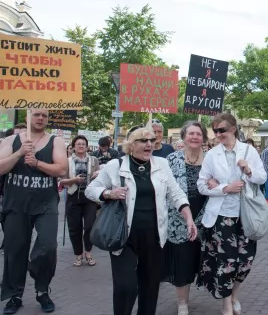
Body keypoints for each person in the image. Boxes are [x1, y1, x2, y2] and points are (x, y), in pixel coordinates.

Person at [86, 127, 196, 315]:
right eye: (143, 141)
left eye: (152, 140)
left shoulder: (161, 164)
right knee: (126, 286)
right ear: (131, 144)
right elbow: (91, 189)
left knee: (150, 287)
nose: (149, 144)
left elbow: (175, 193)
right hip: (123, 235)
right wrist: (108, 193)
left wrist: (189, 217)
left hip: (154, 236)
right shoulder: (116, 165)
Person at [197, 113, 267, 315]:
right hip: (222, 216)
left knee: (245, 262)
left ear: (233, 129)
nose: (218, 134)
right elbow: (202, 185)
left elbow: (262, 178)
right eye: (216, 131)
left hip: (246, 214)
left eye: (222, 130)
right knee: (227, 262)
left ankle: (234, 295)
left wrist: (249, 170)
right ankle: (226, 305)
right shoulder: (212, 155)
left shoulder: (248, 150)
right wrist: (224, 188)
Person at [0, 110, 67, 314]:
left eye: (45, 116)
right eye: (37, 114)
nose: (40, 118)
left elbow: (62, 169)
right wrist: (19, 154)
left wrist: (37, 163)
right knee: (14, 250)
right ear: (28, 117)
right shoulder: (11, 140)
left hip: (45, 203)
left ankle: (42, 289)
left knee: (48, 246)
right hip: (16, 204)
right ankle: (15, 295)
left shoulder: (55, 141)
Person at [164, 122, 209, 315]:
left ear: (203, 138)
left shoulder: (210, 160)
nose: (194, 137)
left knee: (201, 261)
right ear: (183, 136)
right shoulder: (172, 159)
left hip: (205, 219)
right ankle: (182, 303)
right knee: (182, 263)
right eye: (191, 133)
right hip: (178, 220)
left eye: (198, 134)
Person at [60, 135, 101, 267]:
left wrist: (97, 175)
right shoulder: (67, 161)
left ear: (87, 146)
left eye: (83, 144)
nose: (81, 146)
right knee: (74, 228)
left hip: (90, 197)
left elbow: (101, 177)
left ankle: (88, 253)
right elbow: (61, 181)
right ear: (73, 147)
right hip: (73, 197)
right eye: (78, 144)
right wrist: (74, 180)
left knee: (89, 226)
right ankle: (78, 255)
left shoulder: (94, 160)